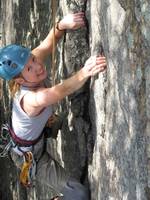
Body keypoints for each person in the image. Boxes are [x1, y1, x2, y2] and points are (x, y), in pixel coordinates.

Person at [0, 12, 107, 200]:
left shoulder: (30, 64)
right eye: (29, 69)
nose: (37, 66)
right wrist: (85, 71)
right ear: (19, 79)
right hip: (31, 156)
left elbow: (48, 43)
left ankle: (50, 126)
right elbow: (58, 92)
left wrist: (62, 25)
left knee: (60, 119)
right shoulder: (32, 99)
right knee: (80, 194)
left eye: (32, 59)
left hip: (37, 132)